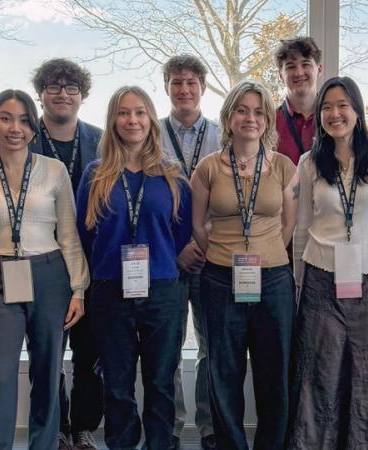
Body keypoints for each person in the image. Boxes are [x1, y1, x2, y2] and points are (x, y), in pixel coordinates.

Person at [0, 89, 89, 450]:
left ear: (34, 126)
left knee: (47, 375)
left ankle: (43, 445)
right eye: (5, 118)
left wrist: (78, 289)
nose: (15, 128)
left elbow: (69, 233)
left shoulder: (54, 170)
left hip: (50, 276)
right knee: (0, 377)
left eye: (23, 120)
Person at [289, 76, 368, 450]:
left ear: (357, 111)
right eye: (327, 107)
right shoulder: (309, 162)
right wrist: (299, 283)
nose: (334, 113)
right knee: (320, 371)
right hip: (319, 280)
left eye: (342, 105)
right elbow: (302, 228)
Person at [76, 85, 192, 450]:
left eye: (140, 112)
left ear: (150, 119)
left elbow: (181, 232)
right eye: (124, 112)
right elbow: (84, 233)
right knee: (118, 384)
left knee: (160, 383)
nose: (132, 120)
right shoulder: (96, 175)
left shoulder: (172, 175)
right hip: (111, 290)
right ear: (113, 120)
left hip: (163, 291)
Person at [191, 79, 298, 450]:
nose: (250, 118)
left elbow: (289, 223)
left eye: (258, 112)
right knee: (224, 371)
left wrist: (267, 254)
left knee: (276, 372)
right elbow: (197, 224)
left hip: (274, 281)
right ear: (229, 116)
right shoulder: (208, 167)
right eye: (242, 110)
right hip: (220, 280)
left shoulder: (283, 166)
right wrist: (224, 252)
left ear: (267, 120)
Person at [29, 57, 104, 450]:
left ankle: (83, 427)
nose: (62, 94)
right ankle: (53, 425)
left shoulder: (102, 140)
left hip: (92, 261)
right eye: (54, 87)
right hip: (40, 261)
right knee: (47, 353)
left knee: (90, 354)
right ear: (40, 94)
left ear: (82, 95)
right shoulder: (25, 138)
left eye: (71, 88)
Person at [159, 54, 221, 450]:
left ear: (202, 86)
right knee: (166, 349)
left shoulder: (221, 134)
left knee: (210, 348)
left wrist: (201, 243)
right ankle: (170, 427)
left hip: (210, 256)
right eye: (177, 82)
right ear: (167, 87)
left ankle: (210, 427)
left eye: (191, 83)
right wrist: (178, 248)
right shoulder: (152, 135)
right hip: (166, 258)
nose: (184, 90)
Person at [274, 37, 323, 165]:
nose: (299, 73)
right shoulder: (268, 123)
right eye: (291, 67)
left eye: (305, 64)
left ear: (319, 69)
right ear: (280, 75)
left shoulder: (334, 120)